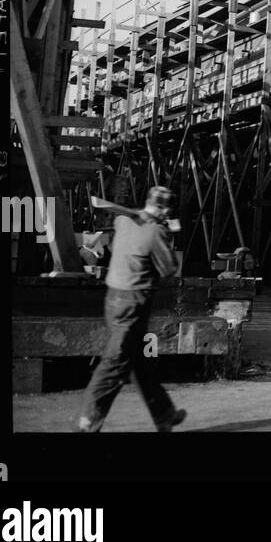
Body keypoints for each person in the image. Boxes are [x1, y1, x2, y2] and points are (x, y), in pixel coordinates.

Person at [76, 186, 187, 433]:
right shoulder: (156, 231)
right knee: (115, 362)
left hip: (113, 299)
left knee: (138, 360)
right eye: (167, 209)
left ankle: (164, 415)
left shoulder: (123, 220)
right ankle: (88, 420)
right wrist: (167, 236)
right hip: (133, 303)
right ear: (162, 208)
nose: (168, 213)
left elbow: (123, 241)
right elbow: (169, 269)